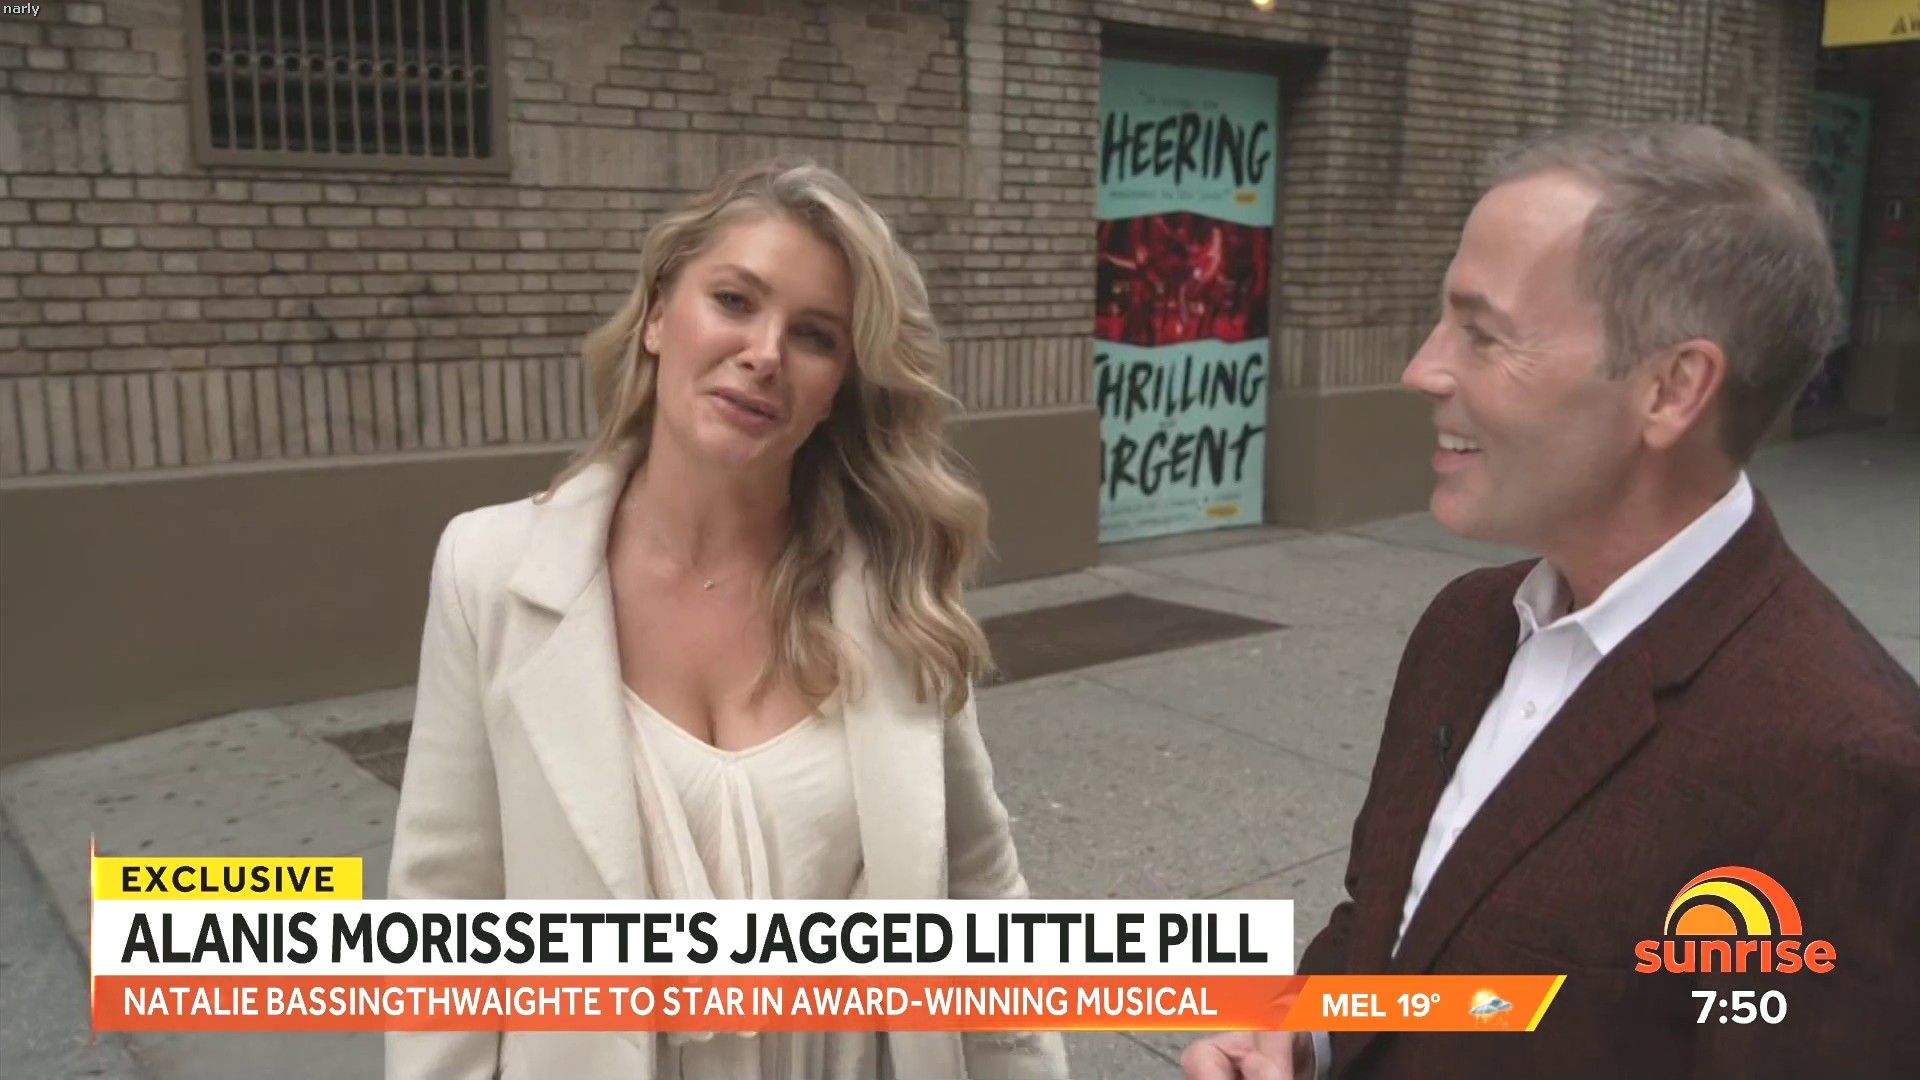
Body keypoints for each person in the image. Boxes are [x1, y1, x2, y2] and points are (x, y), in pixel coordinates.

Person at [1185, 124, 1920, 1079]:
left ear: (1673, 388)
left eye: (1484, 334)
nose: (1422, 369)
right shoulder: (1467, 626)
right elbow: (1390, 927)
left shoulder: (1847, 766)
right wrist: (1298, 1033)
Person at [387, 160, 1069, 1080]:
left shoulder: (891, 591)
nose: (765, 353)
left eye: (816, 336)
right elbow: (446, 914)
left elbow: (982, 889)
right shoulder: (490, 570)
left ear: (839, 386)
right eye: (735, 300)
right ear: (658, 315)